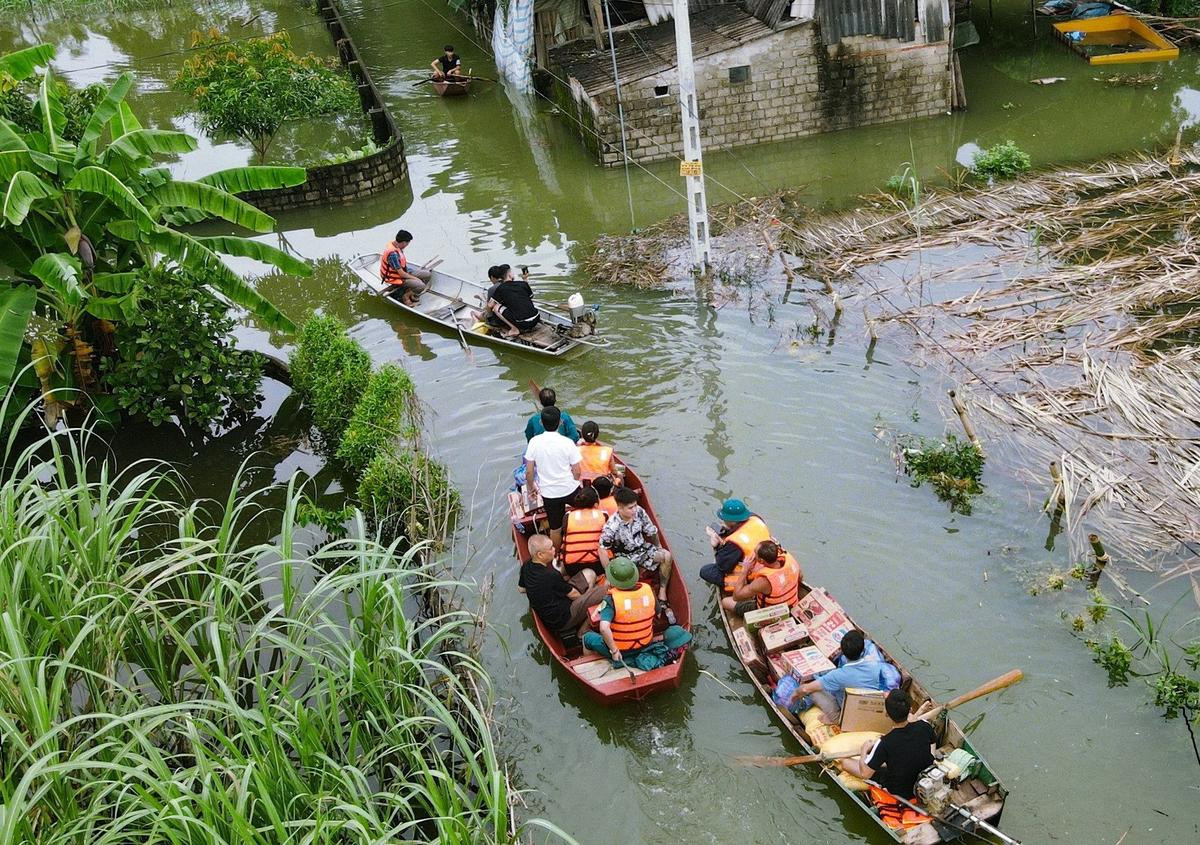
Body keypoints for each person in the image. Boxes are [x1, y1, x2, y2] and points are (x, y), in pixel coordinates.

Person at [838, 688, 937, 801]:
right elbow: (932, 746)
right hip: (925, 778)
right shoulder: (925, 726)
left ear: (888, 714)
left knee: (845, 763)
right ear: (910, 709)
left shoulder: (884, 743)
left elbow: (865, 774)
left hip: (901, 791)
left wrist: (864, 751)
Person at [787, 630, 890, 725]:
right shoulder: (875, 664)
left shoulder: (838, 675)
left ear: (842, 652)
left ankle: (835, 719)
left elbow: (805, 689)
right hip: (868, 710)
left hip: (848, 718)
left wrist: (795, 694)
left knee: (812, 689)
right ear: (863, 650)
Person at [518, 534, 607, 639]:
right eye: (550, 548)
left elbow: (521, 589)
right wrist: (589, 598)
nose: (554, 549)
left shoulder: (526, 567)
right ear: (540, 555)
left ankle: (586, 612)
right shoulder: (551, 575)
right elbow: (574, 595)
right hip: (564, 619)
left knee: (589, 573)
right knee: (607, 591)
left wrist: (539, 590)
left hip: (554, 611)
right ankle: (583, 630)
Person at [600, 487, 674, 602]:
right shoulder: (612, 526)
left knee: (666, 556)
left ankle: (662, 590)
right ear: (619, 507)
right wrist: (608, 572)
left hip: (641, 549)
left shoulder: (639, 511)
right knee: (625, 585)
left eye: (635, 505)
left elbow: (651, 530)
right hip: (624, 558)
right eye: (630, 508)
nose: (634, 510)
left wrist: (659, 547)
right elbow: (602, 549)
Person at [524, 406, 582, 552]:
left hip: (549, 494)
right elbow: (577, 470)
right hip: (571, 489)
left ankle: (557, 557)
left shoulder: (534, 443)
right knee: (584, 512)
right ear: (560, 422)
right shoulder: (567, 443)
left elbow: (529, 472)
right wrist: (576, 481)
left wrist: (531, 487)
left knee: (555, 528)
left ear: (542, 423)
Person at [582, 557, 656, 663]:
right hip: (646, 643)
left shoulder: (610, 599)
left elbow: (603, 628)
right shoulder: (648, 590)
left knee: (586, 638)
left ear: (612, 580)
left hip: (622, 650)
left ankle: (589, 664)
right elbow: (656, 611)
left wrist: (614, 650)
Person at [698, 498, 771, 590]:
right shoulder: (756, 518)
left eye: (724, 519)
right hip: (765, 562)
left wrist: (716, 545)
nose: (723, 521)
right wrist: (729, 530)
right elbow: (746, 532)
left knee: (705, 571)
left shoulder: (735, 542)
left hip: (750, 573)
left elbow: (723, 566)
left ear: (732, 521)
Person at [720, 540, 803, 615]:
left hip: (771, 613)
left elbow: (736, 596)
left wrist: (745, 570)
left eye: (755, 553)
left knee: (725, 602)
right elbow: (800, 577)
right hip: (791, 605)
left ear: (761, 561)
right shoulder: (790, 560)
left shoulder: (764, 580)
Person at [561, 486, 607, 576]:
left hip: (572, 567)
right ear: (596, 504)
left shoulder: (568, 516)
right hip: (598, 565)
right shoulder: (603, 515)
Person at [379, 229, 431, 306]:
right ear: (403, 242)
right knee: (421, 285)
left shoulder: (396, 246)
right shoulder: (393, 254)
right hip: (395, 278)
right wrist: (415, 278)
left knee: (427, 274)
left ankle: (410, 292)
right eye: (407, 243)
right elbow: (401, 274)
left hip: (404, 272)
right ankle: (405, 297)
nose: (407, 245)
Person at [487, 264, 540, 337]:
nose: (513, 273)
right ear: (509, 275)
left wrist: (489, 318)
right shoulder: (523, 283)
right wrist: (525, 279)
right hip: (536, 318)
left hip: (523, 323)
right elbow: (530, 297)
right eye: (512, 272)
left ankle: (514, 329)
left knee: (496, 307)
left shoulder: (501, 288)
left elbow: (490, 305)